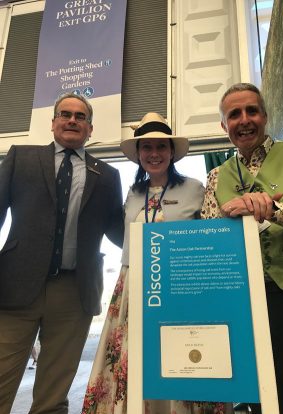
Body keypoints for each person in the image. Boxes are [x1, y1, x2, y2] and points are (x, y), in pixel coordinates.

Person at [82, 112, 232, 414]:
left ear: (172, 152)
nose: (154, 154)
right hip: (135, 286)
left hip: (180, 287)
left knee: (181, 354)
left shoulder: (194, 188)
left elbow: (211, 234)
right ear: (138, 154)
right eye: (147, 147)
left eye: (161, 147)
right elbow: (123, 236)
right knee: (137, 356)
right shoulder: (133, 193)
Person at [0, 93, 124, 413]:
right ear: (53, 122)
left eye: (80, 117)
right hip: (16, 286)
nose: (72, 120)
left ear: (90, 128)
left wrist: (161, 226)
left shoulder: (108, 176)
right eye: (65, 114)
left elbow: (118, 231)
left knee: (54, 393)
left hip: (74, 292)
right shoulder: (21, 157)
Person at [201, 83, 283, 414]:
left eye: (252, 111)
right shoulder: (216, 176)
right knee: (257, 393)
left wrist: (276, 211)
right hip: (243, 303)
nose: (244, 120)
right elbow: (209, 241)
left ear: (265, 116)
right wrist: (225, 217)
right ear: (224, 126)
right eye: (234, 114)